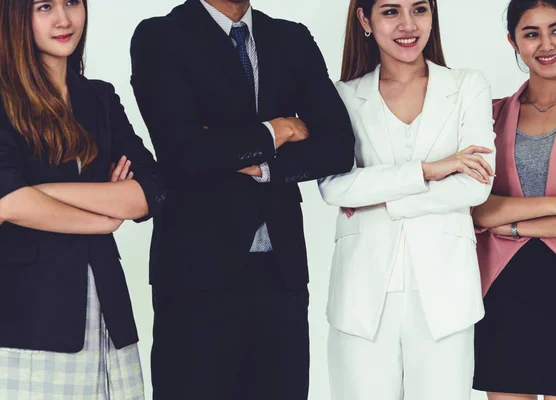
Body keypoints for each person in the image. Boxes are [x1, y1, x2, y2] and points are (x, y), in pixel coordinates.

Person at [129, 0, 355, 398]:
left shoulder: (291, 38)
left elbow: (337, 147)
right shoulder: (159, 36)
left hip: (280, 274)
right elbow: (185, 154)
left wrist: (260, 164)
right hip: (196, 274)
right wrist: (278, 129)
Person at [317, 0, 496, 398]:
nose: (408, 24)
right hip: (361, 298)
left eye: (419, 9)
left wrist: (378, 198)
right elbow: (332, 185)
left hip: (445, 296)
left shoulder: (467, 85)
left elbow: (475, 185)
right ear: (365, 18)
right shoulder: (342, 96)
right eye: (390, 11)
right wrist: (429, 170)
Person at [0, 0, 165, 398]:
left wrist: (41, 192)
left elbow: (151, 191)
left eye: (72, 2)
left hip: (109, 315)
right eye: (44, 7)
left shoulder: (99, 98)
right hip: (30, 320)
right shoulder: (4, 101)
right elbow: (9, 203)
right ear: (16, 16)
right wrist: (104, 217)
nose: (64, 19)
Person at [473, 1, 556, 399]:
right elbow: (476, 206)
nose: (546, 44)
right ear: (513, 41)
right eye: (531, 33)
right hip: (504, 285)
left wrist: (510, 225)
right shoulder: (487, 116)